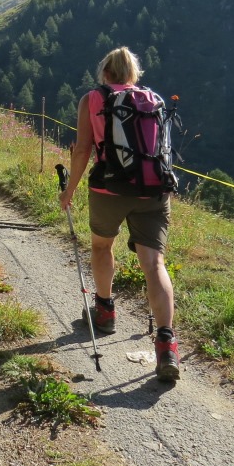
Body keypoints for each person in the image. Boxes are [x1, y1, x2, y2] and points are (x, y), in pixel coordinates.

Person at [58, 46, 180, 381]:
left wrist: (69, 191)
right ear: (132, 74)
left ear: (106, 73)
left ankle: (105, 311)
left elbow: (83, 148)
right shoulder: (152, 99)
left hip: (109, 189)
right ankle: (167, 344)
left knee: (101, 246)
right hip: (153, 190)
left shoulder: (92, 99)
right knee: (155, 264)